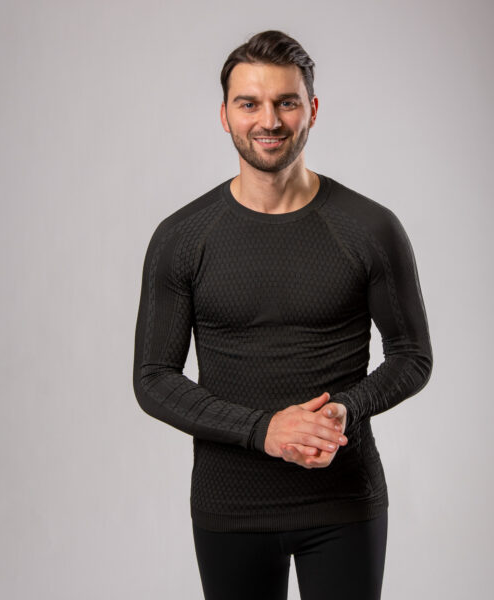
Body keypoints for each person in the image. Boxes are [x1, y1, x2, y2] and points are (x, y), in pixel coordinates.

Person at [132, 29, 433, 600]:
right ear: (225, 115)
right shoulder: (182, 237)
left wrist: (346, 409)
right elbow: (153, 379)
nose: (268, 120)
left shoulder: (370, 228)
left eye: (285, 102)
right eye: (249, 103)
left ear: (312, 109)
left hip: (344, 501)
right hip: (229, 505)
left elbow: (412, 356)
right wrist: (262, 430)